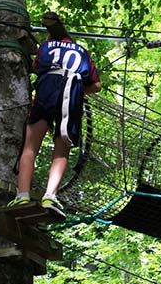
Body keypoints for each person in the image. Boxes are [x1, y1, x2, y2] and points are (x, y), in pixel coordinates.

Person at [7, 12, 102, 218]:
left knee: (30, 147)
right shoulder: (83, 52)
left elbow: (36, 67)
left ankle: (22, 194)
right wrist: (75, 89)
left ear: (51, 35)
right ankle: (50, 195)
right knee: (62, 149)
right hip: (72, 95)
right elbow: (97, 85)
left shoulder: (46, 46)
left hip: (47, 90)